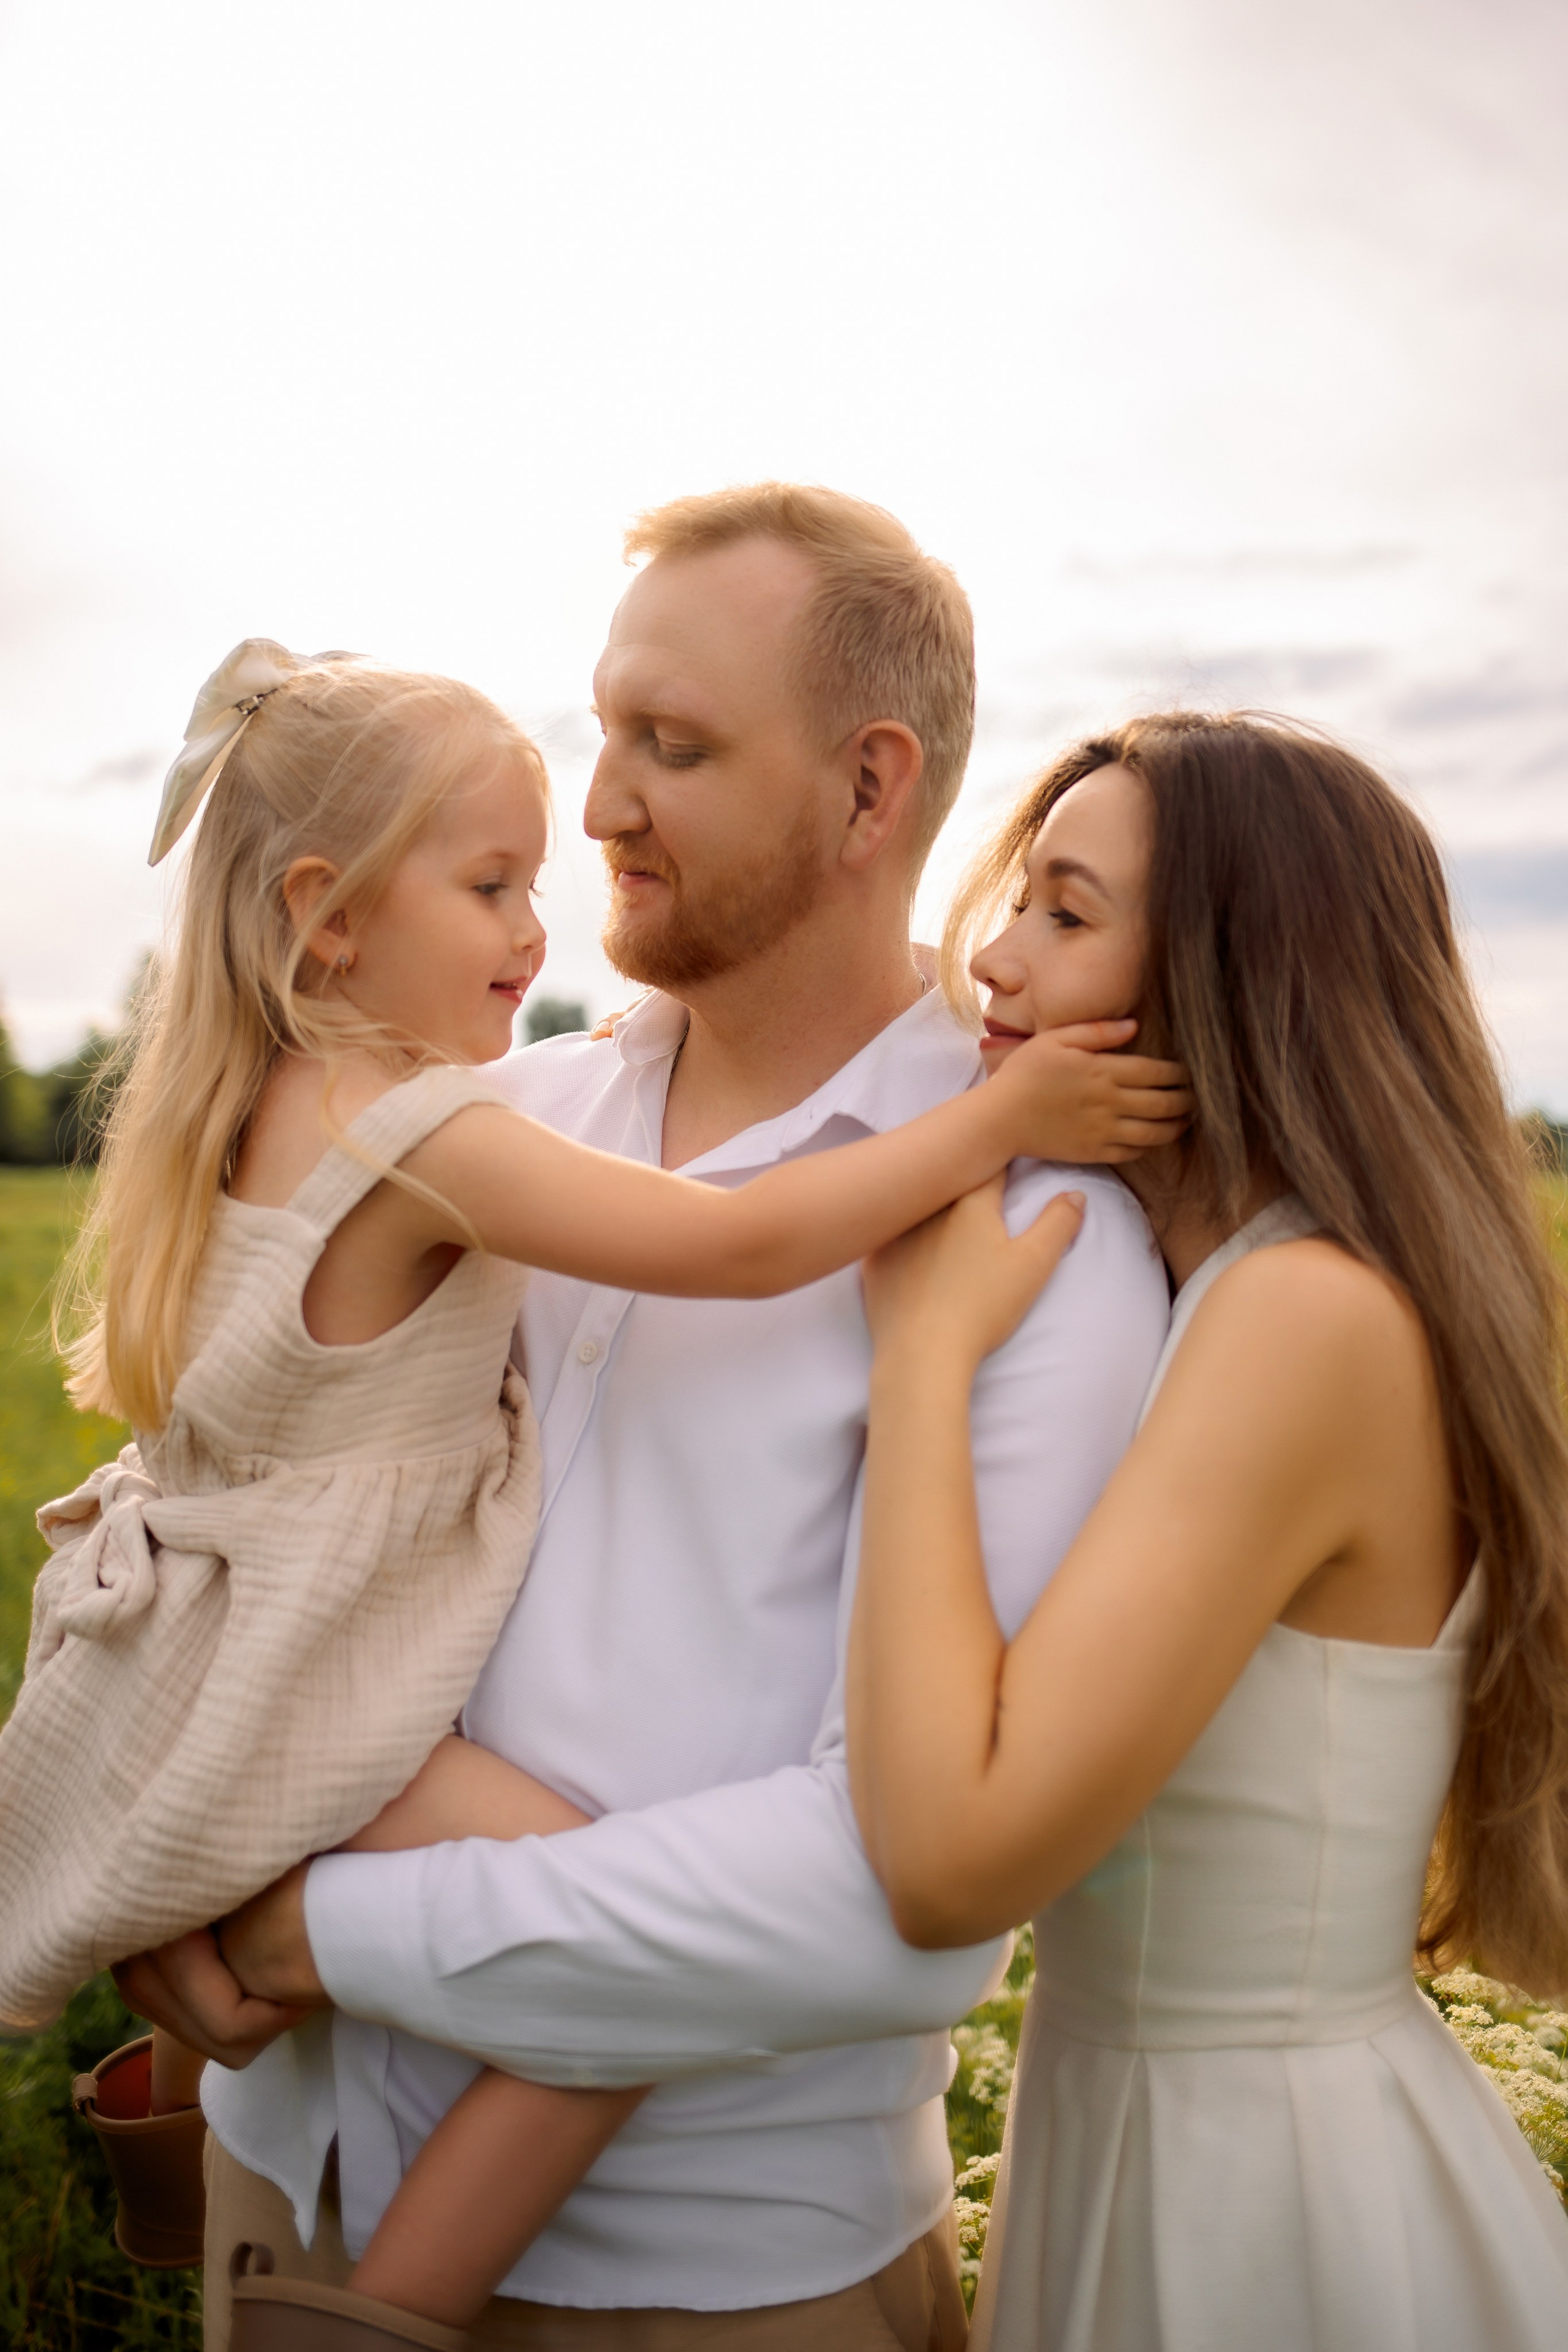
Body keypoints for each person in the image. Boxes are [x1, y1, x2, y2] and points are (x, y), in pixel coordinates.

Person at [6, 629, 1190, 2348]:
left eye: (673, 739)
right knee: (609, 1923)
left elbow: (902, 1905)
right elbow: (729, 1245)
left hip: (715, 2277)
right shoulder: (486, 1116)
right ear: (333, 913)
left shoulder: (1053, 1250)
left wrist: (280, 1910)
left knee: (624, 1940)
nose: (599, 815)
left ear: (870, 786)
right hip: (291, 2154)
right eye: (499, 867)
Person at [846, 711, 1568, 2350]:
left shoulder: (1304, 1321)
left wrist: (923, 1357)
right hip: (1142, 2131)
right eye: (1019, 902)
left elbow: (951, 1863)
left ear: (1235, 986)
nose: (997, 967)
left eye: (1068, 914)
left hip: (1264, 2194)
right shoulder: (1212, 1298)